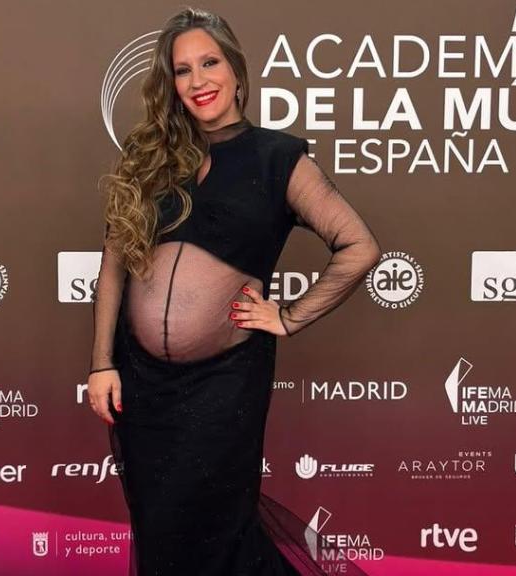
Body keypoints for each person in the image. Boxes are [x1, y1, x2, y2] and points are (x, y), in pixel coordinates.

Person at [87, 7, 381, 575]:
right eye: (182, 70)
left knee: (217, 528)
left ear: (237, 71)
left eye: (209, 62)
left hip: (225, 384)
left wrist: (290, 317)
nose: (198, 81)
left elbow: (359, 247)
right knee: (160, 527)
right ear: (170, 85)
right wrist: (102, 363)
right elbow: (114, 265)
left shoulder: (278, 158)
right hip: (142, 385)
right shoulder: (149, 158)